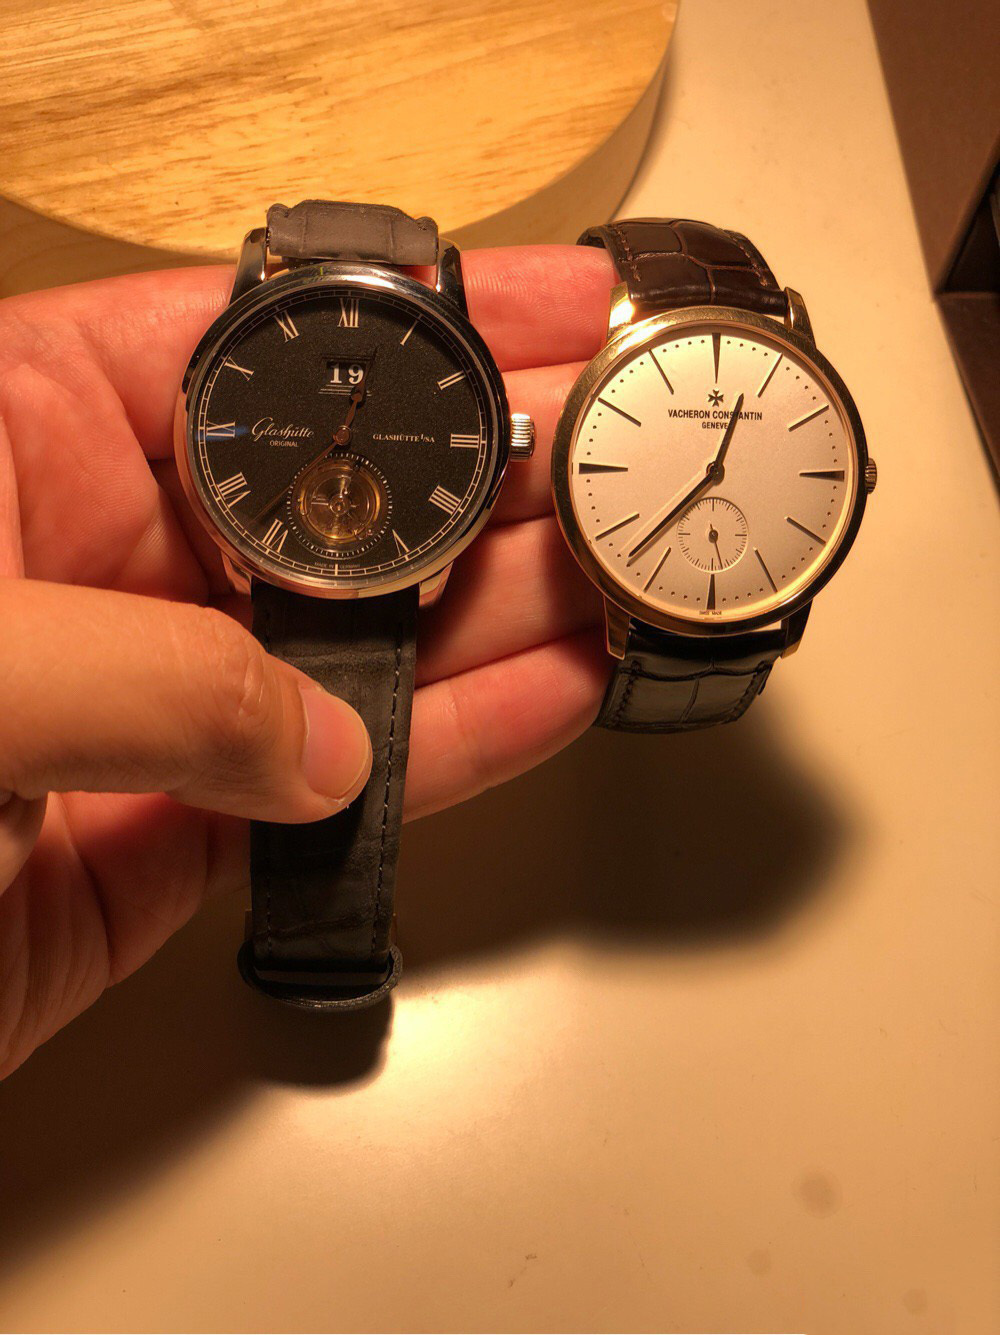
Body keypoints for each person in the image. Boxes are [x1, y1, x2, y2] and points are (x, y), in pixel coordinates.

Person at [0, 244, 618, 1078]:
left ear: (506, 440)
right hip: (274, 555)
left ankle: (320, 947)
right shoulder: (233, 537)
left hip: (389, 558)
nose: (344, 429)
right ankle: (319, 949)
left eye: (353, 413)